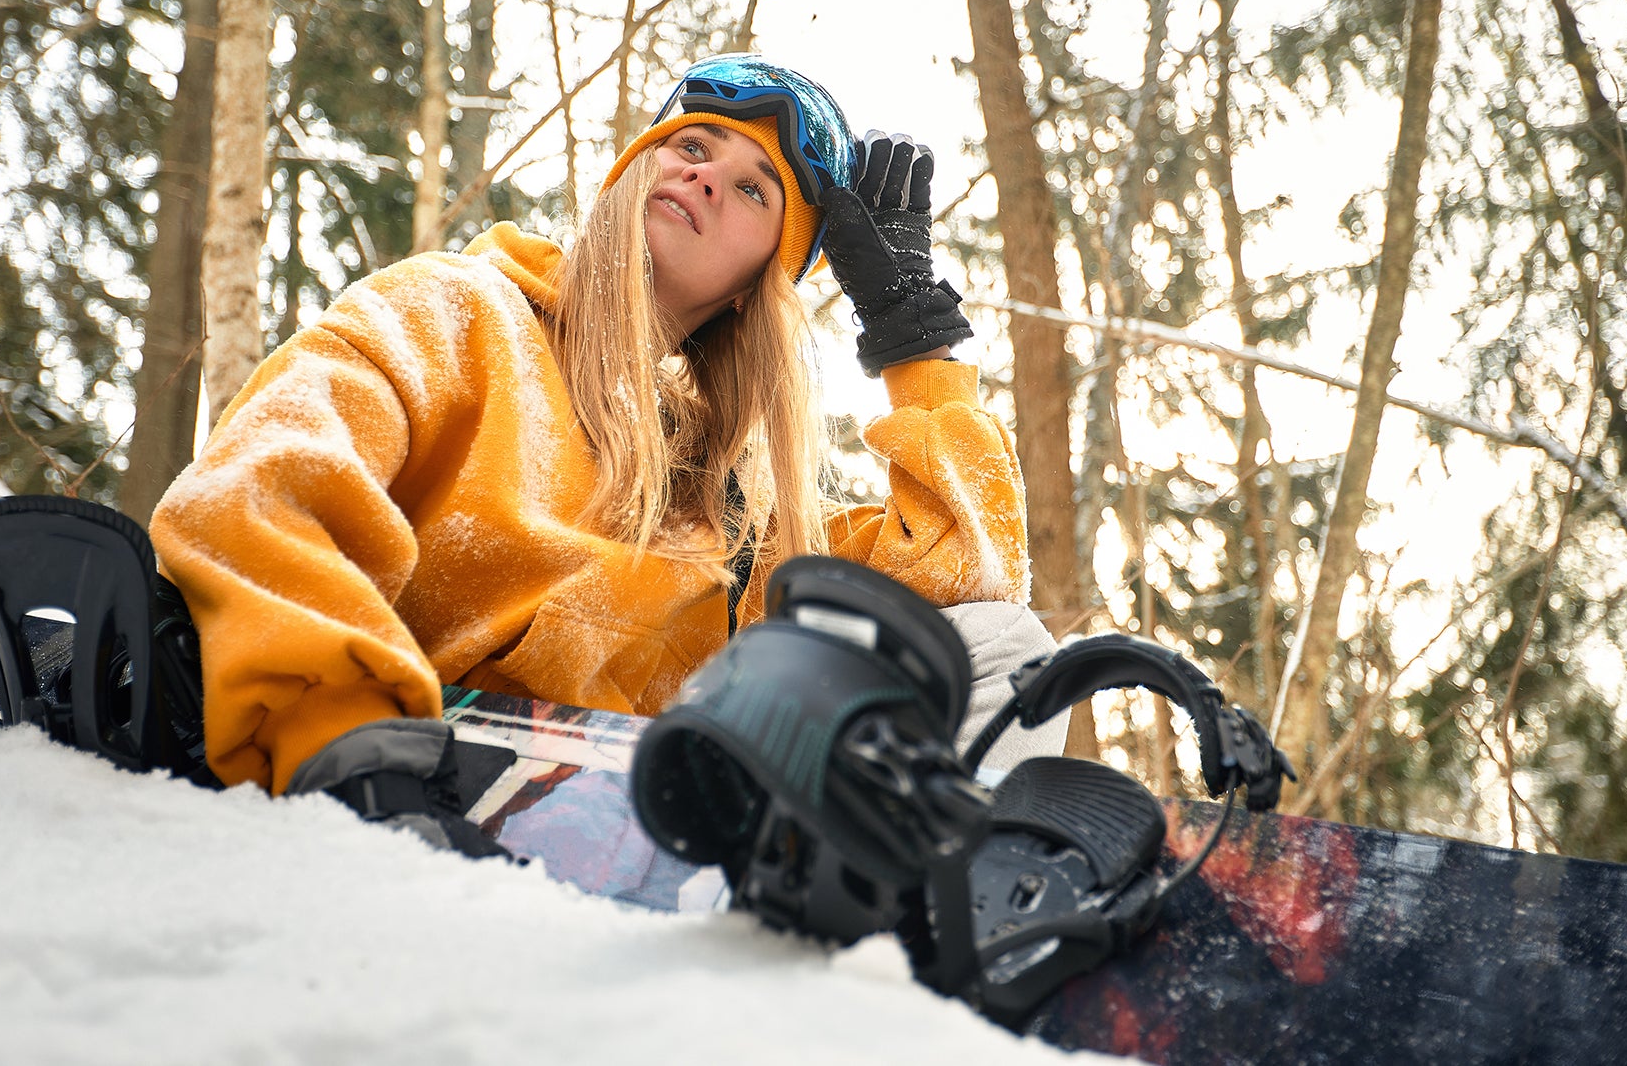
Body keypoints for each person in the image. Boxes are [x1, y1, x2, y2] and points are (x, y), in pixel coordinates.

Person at [149, 54, 1065, 847]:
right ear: (634, 173)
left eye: (754, 188)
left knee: (1008, 647)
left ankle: (911, 930)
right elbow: (261, 489)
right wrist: (347, 748)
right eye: (694, 147)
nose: (706, 176)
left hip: (654, 834)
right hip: (409, 770)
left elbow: (977, 587)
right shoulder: (457, 313)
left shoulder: (739, 512)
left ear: (758, 286)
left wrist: (916, 347)